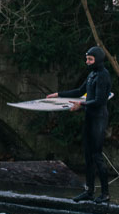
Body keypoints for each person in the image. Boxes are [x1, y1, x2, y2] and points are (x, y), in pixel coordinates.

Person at [46, 46, 113, 203]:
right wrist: (58, 95)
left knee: (97, 156)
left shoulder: (103, 76)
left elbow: (99, 101)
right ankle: (89, 191)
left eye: (90, 59)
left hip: (99, 119)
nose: (87, 62)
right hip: (89, 118)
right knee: (87, 157)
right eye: (87, 59)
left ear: (98, 59)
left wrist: (80, 105)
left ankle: (105, 193)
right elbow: (79, 91)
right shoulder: (92, 74)